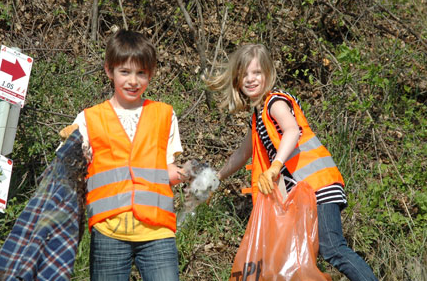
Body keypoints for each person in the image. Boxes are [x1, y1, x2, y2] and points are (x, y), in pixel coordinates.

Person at [205, 43, 378, 281]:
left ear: (267, 73)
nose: (251, 79)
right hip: (304, 193)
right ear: (237, 79)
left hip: (320, 186)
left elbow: (291, 131)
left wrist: (275, 167)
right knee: (301, 257)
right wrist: (217, 177)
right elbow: (242, 153)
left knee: (333, 248)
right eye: (245, 74)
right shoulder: (258, 116)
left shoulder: (275, 103)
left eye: (257, 72)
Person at [59, 29, 191, 281]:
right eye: (125, 72)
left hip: (157, 231)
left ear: (150, 74)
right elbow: (69, 164)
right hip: (109, 231)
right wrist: (74, 149)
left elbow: (167, 170)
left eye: (141, 73)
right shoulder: (89, 118)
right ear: (109, 71)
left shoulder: (164, 114)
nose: (133, 81)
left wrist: (191, 174)